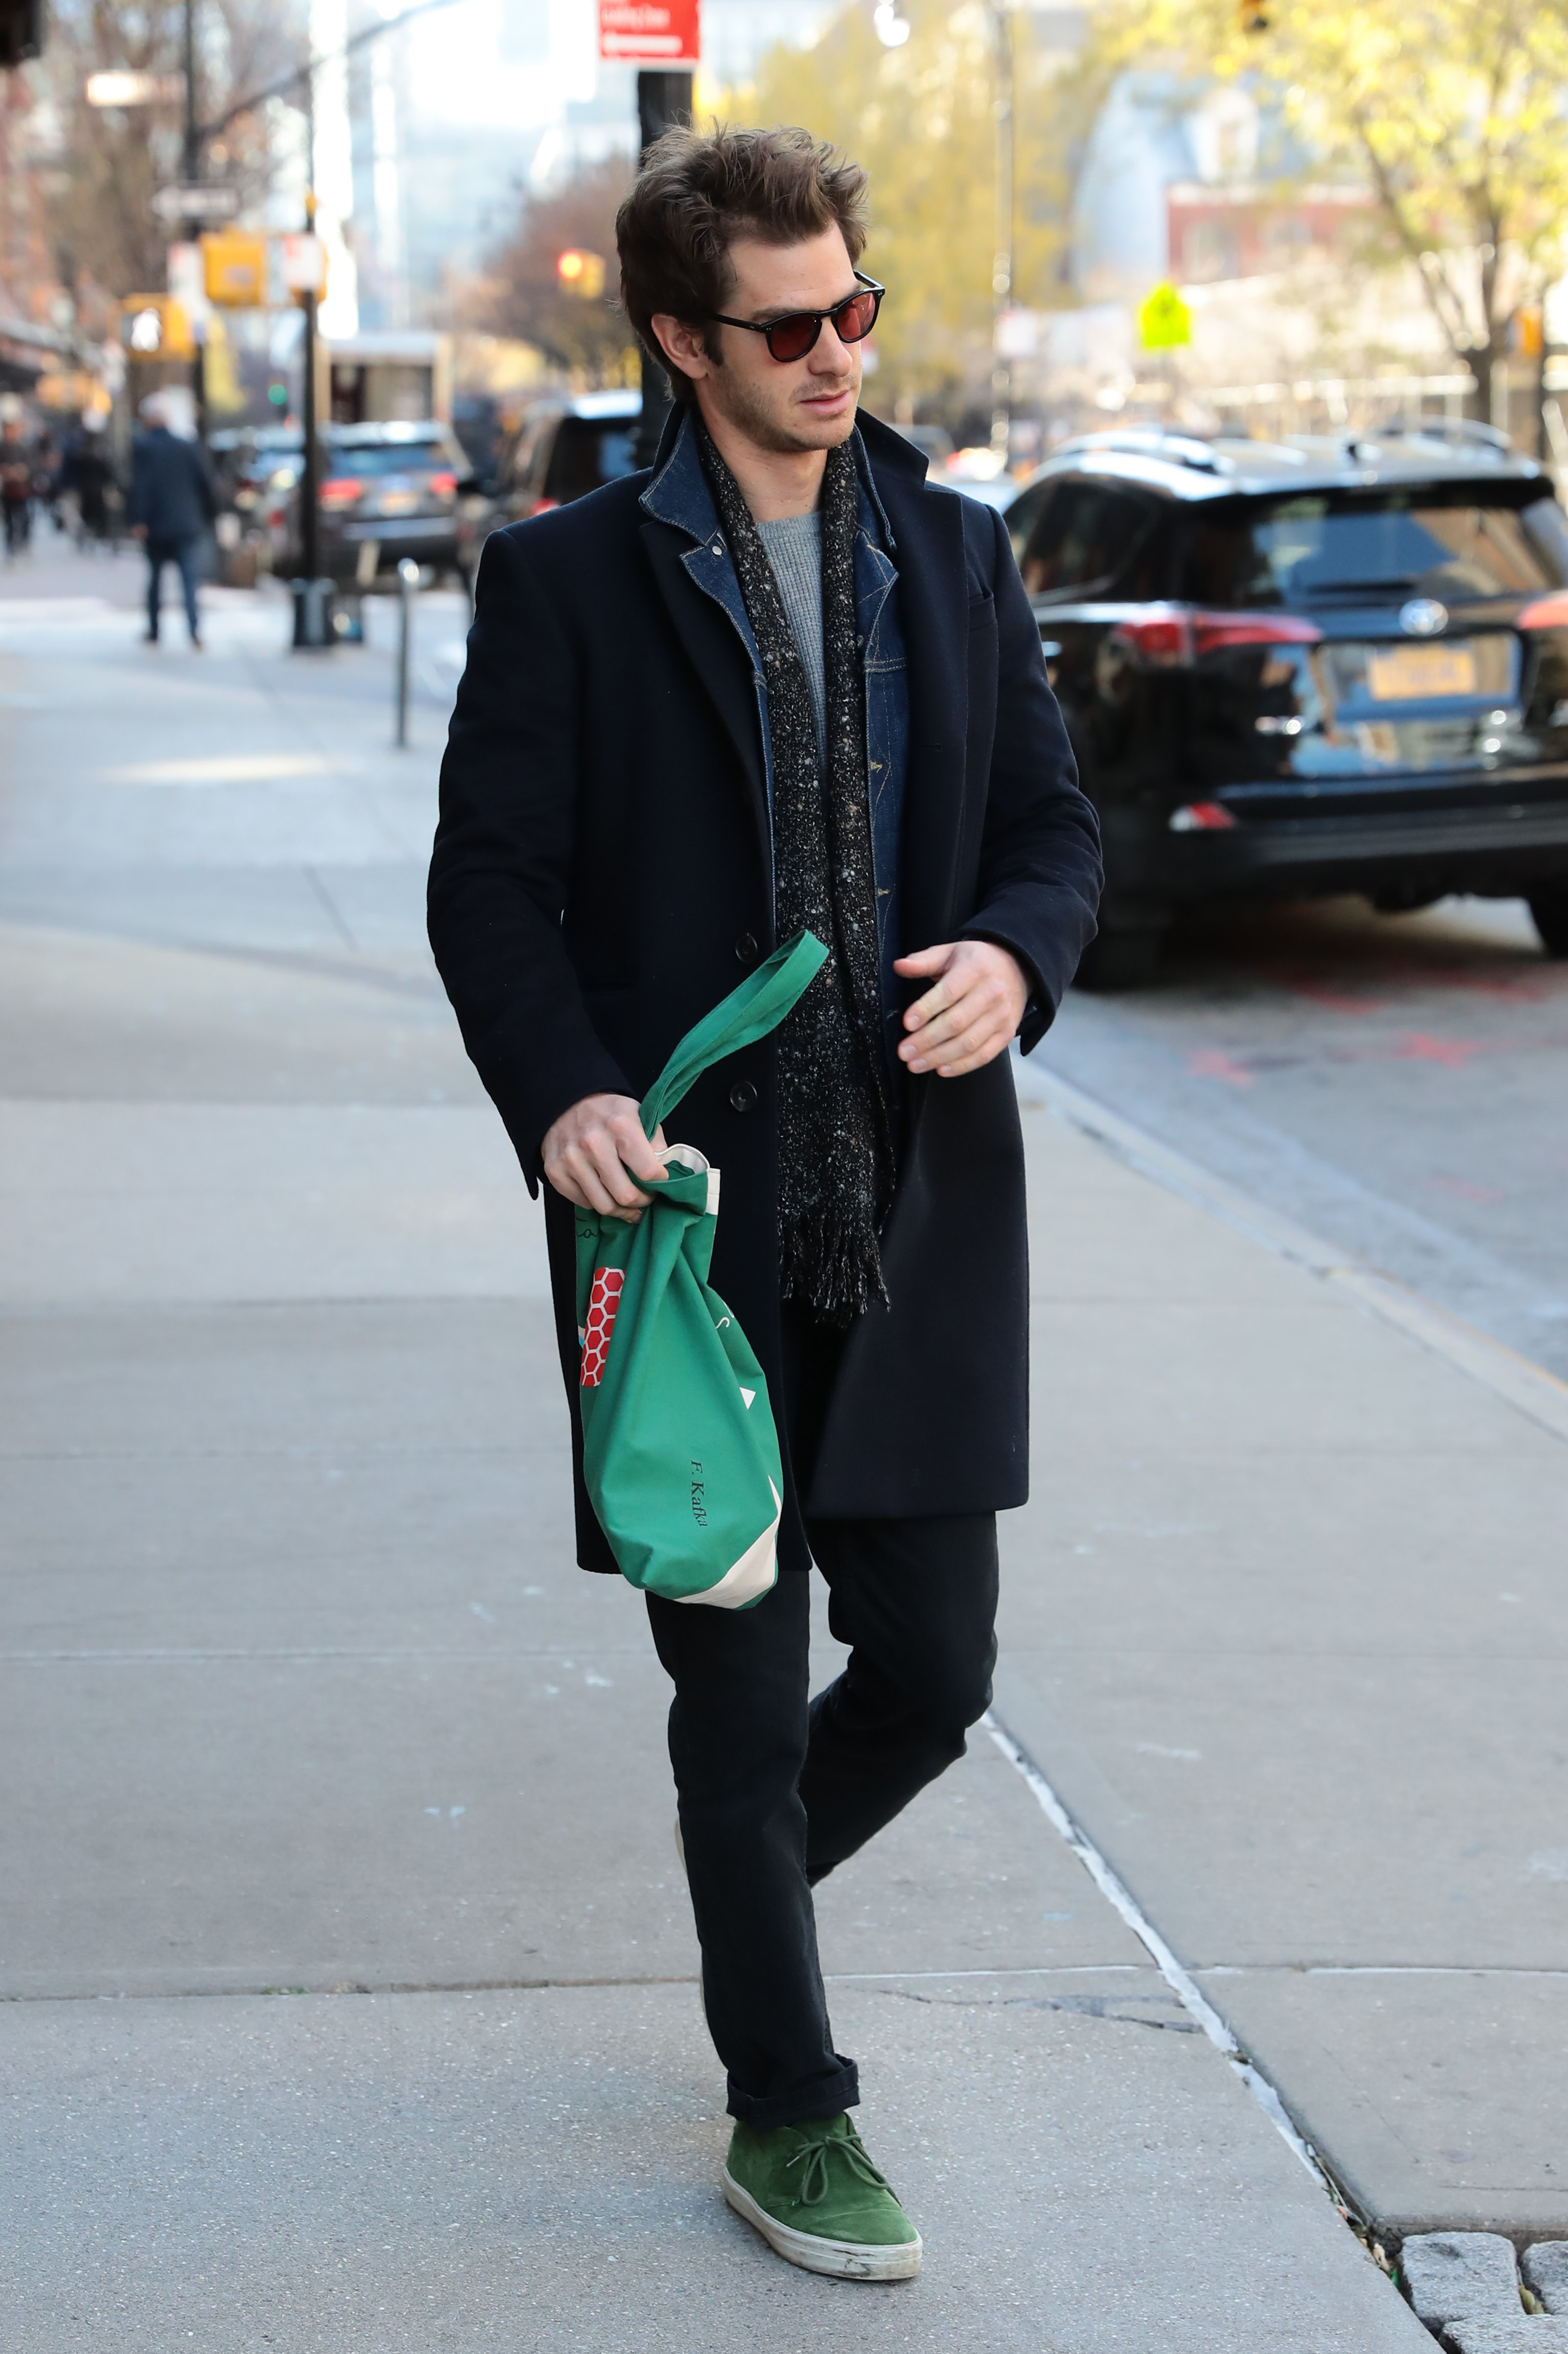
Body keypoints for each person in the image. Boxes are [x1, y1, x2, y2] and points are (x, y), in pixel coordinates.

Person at [427, 124, 1101, 2283]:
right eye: (788, 324)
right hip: (682, 1239)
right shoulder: (566, 582)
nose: (836, 353)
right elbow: (490, 884)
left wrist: (1017, 958)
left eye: (856, 310)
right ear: (680, 341)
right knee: (732, 1700)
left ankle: (751, 1908)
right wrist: (564, 1090)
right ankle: (789, 2102)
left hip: (918, 1222)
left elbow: (1054, 832)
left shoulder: (957, 554)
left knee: (934, 1669)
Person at [127, 389, 216, 646]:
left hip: (156, 525)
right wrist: (210, 514)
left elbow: (140, 486)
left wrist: (138, 520)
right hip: (186, 523)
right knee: (189, 580)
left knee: (156, 579)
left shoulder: (144, 447)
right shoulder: (186, 446)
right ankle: (194, 629)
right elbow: (205, 483)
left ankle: (155, 629)